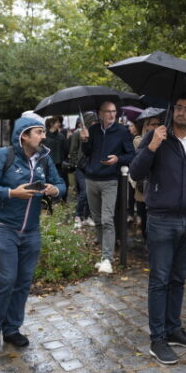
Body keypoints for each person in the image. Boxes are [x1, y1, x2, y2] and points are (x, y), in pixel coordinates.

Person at [129, 92, 186, 365]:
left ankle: (174, 329)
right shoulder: (157, 136)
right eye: (178, 107)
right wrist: (152, 145)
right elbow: (136, 172)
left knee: (178, 279)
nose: (181, 112)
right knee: (159, 281)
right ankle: (158, 339)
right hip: (161, 219)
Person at [0, 116, 66, 352]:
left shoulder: (44, 159)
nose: (44, 136)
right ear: (24, 135)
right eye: (39, 132)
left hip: (31, 230)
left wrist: (55, 190)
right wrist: (11, 193)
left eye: (43, 132)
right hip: (2, 226)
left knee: (23, 281)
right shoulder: (3, 156)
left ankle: (12, 329)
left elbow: (61, 184)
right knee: (6, 279)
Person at [80, 101, 135, 274]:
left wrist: (117, 159)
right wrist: (84, 140)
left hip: (110, 180)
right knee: (97, 220)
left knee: (107, 219)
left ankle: (107, 259)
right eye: (108, 111)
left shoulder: (122, 131)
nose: (112, 114)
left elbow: (131, 155)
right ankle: (104, 256)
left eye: (114, 111)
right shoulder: (94, 130)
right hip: (91, 179)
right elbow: (88, 152)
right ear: (99, 113)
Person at [133, 115, 162, 240]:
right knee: (144, 215)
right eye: (153, 124)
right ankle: (146, 240)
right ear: (146, 126)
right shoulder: (139, 140)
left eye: (158, 124)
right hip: (142, 186)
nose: (156, 127)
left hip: (157, 187)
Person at [69, 112, 97, 228]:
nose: (94, 123)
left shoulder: (96, 133)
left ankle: (88, 216)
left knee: (91, 192)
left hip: (92, 167)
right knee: (84, 192)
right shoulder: (77, 133)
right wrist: (77, 164)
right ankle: (77, 216)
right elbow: (73, 150)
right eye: (92, 121)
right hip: (81, 167)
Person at [43, 116, 69, 201]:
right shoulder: (44, 136)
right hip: (47, 165)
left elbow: (66, 150)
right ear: (51, 123)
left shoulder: (61, 136)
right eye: (57, 122)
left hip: (59, 165)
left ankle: (62, 201)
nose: (59, 124)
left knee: (63, 183)